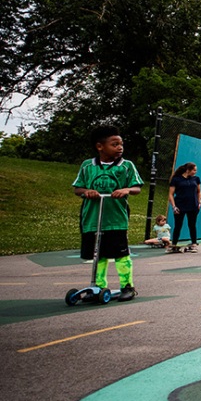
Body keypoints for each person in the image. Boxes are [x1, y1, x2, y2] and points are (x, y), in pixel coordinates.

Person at [72, 125, 143, 301]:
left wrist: (126, 190)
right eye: (114, 144)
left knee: (121, 254)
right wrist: (87, 192)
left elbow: (137, 188)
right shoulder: (88, 165)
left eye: (121, 144)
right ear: (100, 146)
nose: (120, 148)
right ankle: (98, 286)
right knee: (98, 254)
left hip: (116, 218)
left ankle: (127, 286)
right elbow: (77, 188)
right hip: (92, 218)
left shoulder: (126, 166)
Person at [167, 162, 201, 251]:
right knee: (178, 225)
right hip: (180, 205)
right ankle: (174, 244)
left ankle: (194, 243)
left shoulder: (196, 179)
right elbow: (171, 194)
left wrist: (199, 201)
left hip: (193, 206)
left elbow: (199, 191)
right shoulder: (176, 179)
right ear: (188, 170)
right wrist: (174, 206)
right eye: (194, 170)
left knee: (192, 224)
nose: (195, 172)